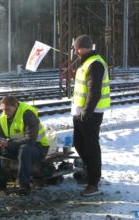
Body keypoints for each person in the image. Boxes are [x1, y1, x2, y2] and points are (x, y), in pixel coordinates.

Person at [0, 96, 49, 196]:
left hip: (38, 148)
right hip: (17, 147)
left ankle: (24, 185)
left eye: (7, 110)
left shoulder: (28, 114)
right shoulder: (4, 116)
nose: (5, 113)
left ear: (15, 106)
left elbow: (30, 140)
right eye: (3, 110)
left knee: (24, 149)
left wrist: (9, 144)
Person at [71, 34, 110, 196]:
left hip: (91, 113)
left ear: (82, 48)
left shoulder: (95, 64)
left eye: (76, 49)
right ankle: (89, 174)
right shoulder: (86, 62)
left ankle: (93, 183)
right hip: (81, 112)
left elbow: (94, 92)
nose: (74, 52)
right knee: (79, 144)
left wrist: (86, 112)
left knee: (91, 147)